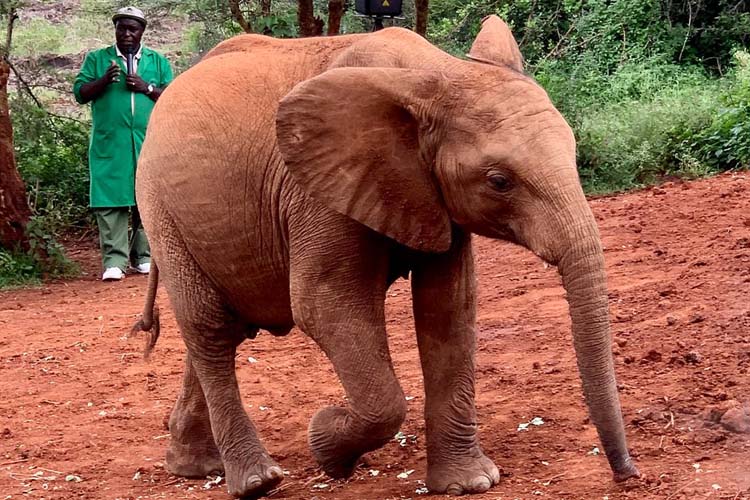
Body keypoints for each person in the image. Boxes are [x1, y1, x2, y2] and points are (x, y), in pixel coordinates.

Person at [73, 6, 173, 281]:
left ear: (142, 31)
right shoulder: (98, 59)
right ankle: (114, 261)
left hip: (147, 142)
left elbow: (173, 96)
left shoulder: (157, 61)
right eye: (122, 28)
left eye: (133, 28)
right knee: (110, 203)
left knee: (148, 199)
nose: (127, 34)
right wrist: (104, 80)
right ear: (115, 29)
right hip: (111, 143)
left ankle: (144, 257)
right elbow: (80, 93)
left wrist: (147, 88)